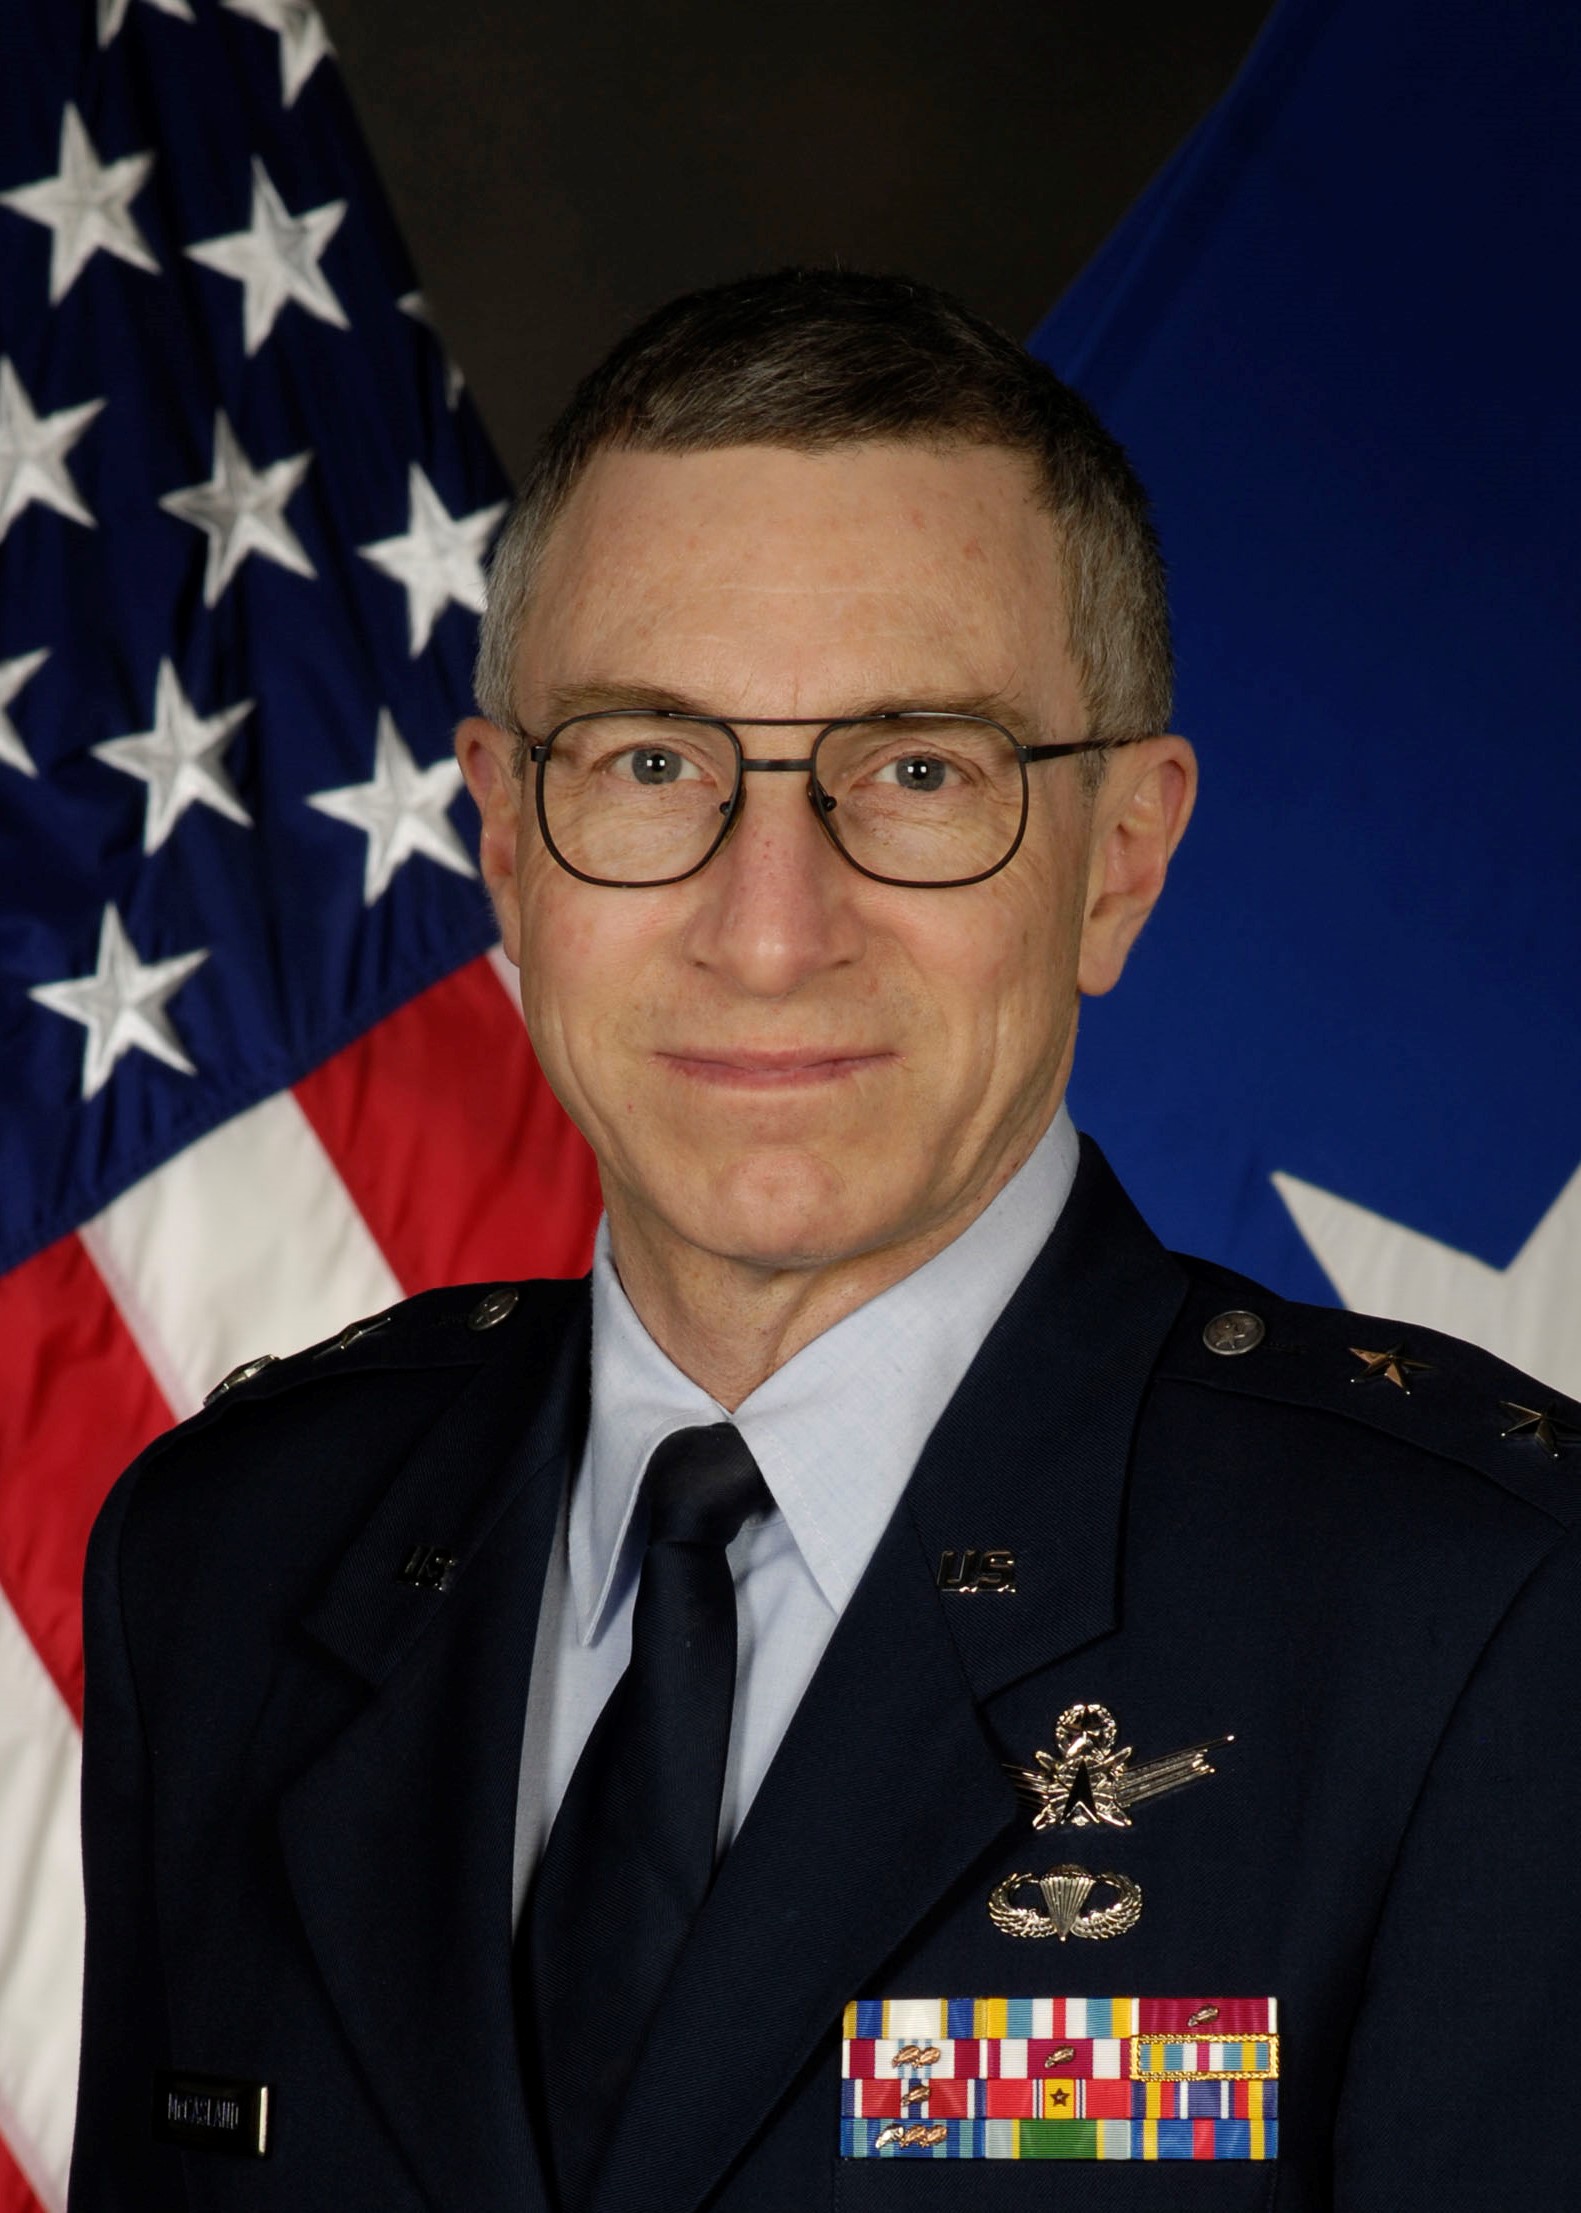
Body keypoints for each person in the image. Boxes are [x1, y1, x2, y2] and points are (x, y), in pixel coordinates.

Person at [70, 268, 1581, 2213]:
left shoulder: (1473, 1623)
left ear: (1118, 857)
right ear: (508, 853)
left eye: (920, 772)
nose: (768, 927)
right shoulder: (231, 1556)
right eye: (645, 763)